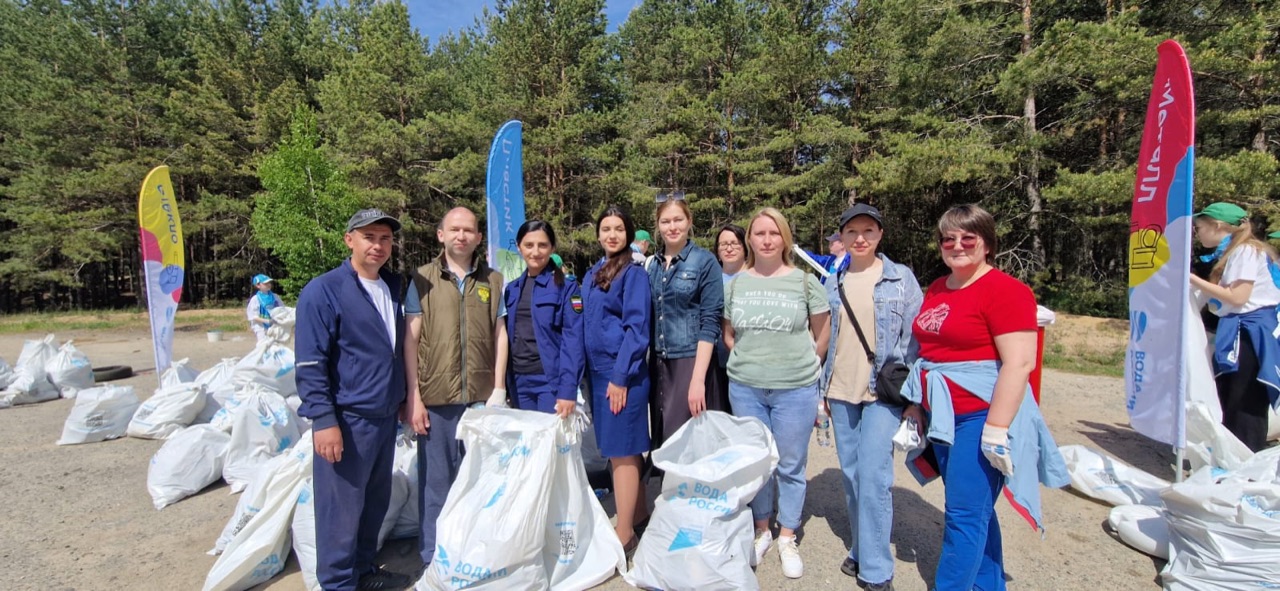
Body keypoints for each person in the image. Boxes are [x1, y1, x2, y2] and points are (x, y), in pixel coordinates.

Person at [901, 204, 1067, 591]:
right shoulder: (940, 287)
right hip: (943, 417)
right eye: (948, 238)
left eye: (968, 238)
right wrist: (916, 405)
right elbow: (930, 353)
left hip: (980, 417)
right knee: (975, 513)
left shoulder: (1006, 290)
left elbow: (1020, 362)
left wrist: (996, 428)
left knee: (962, 516)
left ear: (987, 243)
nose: (957, 245)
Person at [295, 208, 413, 591]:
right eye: (369, 237)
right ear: (349, 240)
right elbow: (311, 362)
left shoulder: (392, 287)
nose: (378, 245)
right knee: (340, 512)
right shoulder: (324, 291)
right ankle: (338, 583)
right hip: (346, 420)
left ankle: (364, 573)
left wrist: (401, 398)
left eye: (385, 238)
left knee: (373, 504)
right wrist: (324, 420)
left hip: (383, 419)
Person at [722, 207, 830, 579]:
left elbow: (823, 329)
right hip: (747, 387)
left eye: (774, 233)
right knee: (757, 463)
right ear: (749, 239)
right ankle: (761, 528)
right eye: (759, 233)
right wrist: (750, 360)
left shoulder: (804, 282)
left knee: (790, 463)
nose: (766, 240)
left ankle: (787, 535)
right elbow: (729, 333)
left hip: (794, 388)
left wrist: (808, 364)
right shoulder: (737, 283)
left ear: (784, 238)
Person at [819, 204, 922, 591]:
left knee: (875, 478)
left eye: (868, 231)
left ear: (880, 235)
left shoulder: (901, 279)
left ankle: (876, 569)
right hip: (841, 390)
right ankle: (862, 547)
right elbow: (827, 340)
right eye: (852, 231)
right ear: (841, 237)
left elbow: (916, 344)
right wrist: (821, 392)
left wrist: (914, 396)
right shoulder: (834, 281)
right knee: (851, 475)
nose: (860, 238)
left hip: (883, 394)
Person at [402, 206, 508, 568]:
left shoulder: (493, 280)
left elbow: (500, 334)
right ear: (441, 235)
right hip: (436, 399)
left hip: (480, 400)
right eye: (455, 229)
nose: (462, 236)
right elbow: (411, 340)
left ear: (479, 237)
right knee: (437, 484)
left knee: (480, 481)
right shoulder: (421, 279)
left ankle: (474, 552)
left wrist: (499, 388)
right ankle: (434, 556)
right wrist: (414, 397)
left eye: (469, 230)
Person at [581, 206, 652, 556]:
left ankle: (624, 534)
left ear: (629, 234)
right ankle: (637, 514)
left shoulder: (633, 273)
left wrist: (621, 377)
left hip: (621, 374)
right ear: (598, 235)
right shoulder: (593, 272)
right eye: (606, 228)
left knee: (623, 452)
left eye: (619, 229)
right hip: (597, 374)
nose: (612, 234)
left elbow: (637, 330)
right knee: (614, 450)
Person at [1190, 202, 1280, 452]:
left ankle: (1245, 458)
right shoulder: (1232, 252)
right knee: (1229, 395)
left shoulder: (1246, 251)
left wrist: (1192, 280)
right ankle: (1230, 454)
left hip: (1251, 331)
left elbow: (1238, 297)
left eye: (1199, 228)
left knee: (1245, 399)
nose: (1197, 233)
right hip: (1239, 327)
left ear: (1217, 226)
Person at [645, 197, 725, 446]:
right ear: (658, 226)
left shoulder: (704, 262)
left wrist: (698, 379)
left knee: (690, 441)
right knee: (667, 441)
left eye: (678, 219)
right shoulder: (653, 265)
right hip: (660, 363)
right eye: (665, 221)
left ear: (689, 222)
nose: (672, 227)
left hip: (690, 361)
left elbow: (710, 321)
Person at [503, 220, 584, 416]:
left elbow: (573, 341)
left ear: (552, 248)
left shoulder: (566, 287)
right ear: (519, 247)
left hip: (550, 383)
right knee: (526, 446)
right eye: (529, 245)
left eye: (543, 245)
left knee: (551, 445)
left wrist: (567, 390)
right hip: (519, 382)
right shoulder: (511, 290)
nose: (535, 251)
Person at [713, 224, 748, 407]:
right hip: (715, 364)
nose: (728, 248)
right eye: (723, 244)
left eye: (735, 243)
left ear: (745, 247)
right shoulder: (710, 278)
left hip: (746, 365)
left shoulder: (755, 278)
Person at [246, 273, 283, 342]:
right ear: (258, 285)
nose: (268, 284)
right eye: (265, 283)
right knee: (263, 344)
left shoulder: (275, 297)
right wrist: (267, 321)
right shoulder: (255, 299)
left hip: (274, 325)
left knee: (275, 344)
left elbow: (282, 309)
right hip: (261, 327)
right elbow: (253, 316)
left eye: (269, 282)